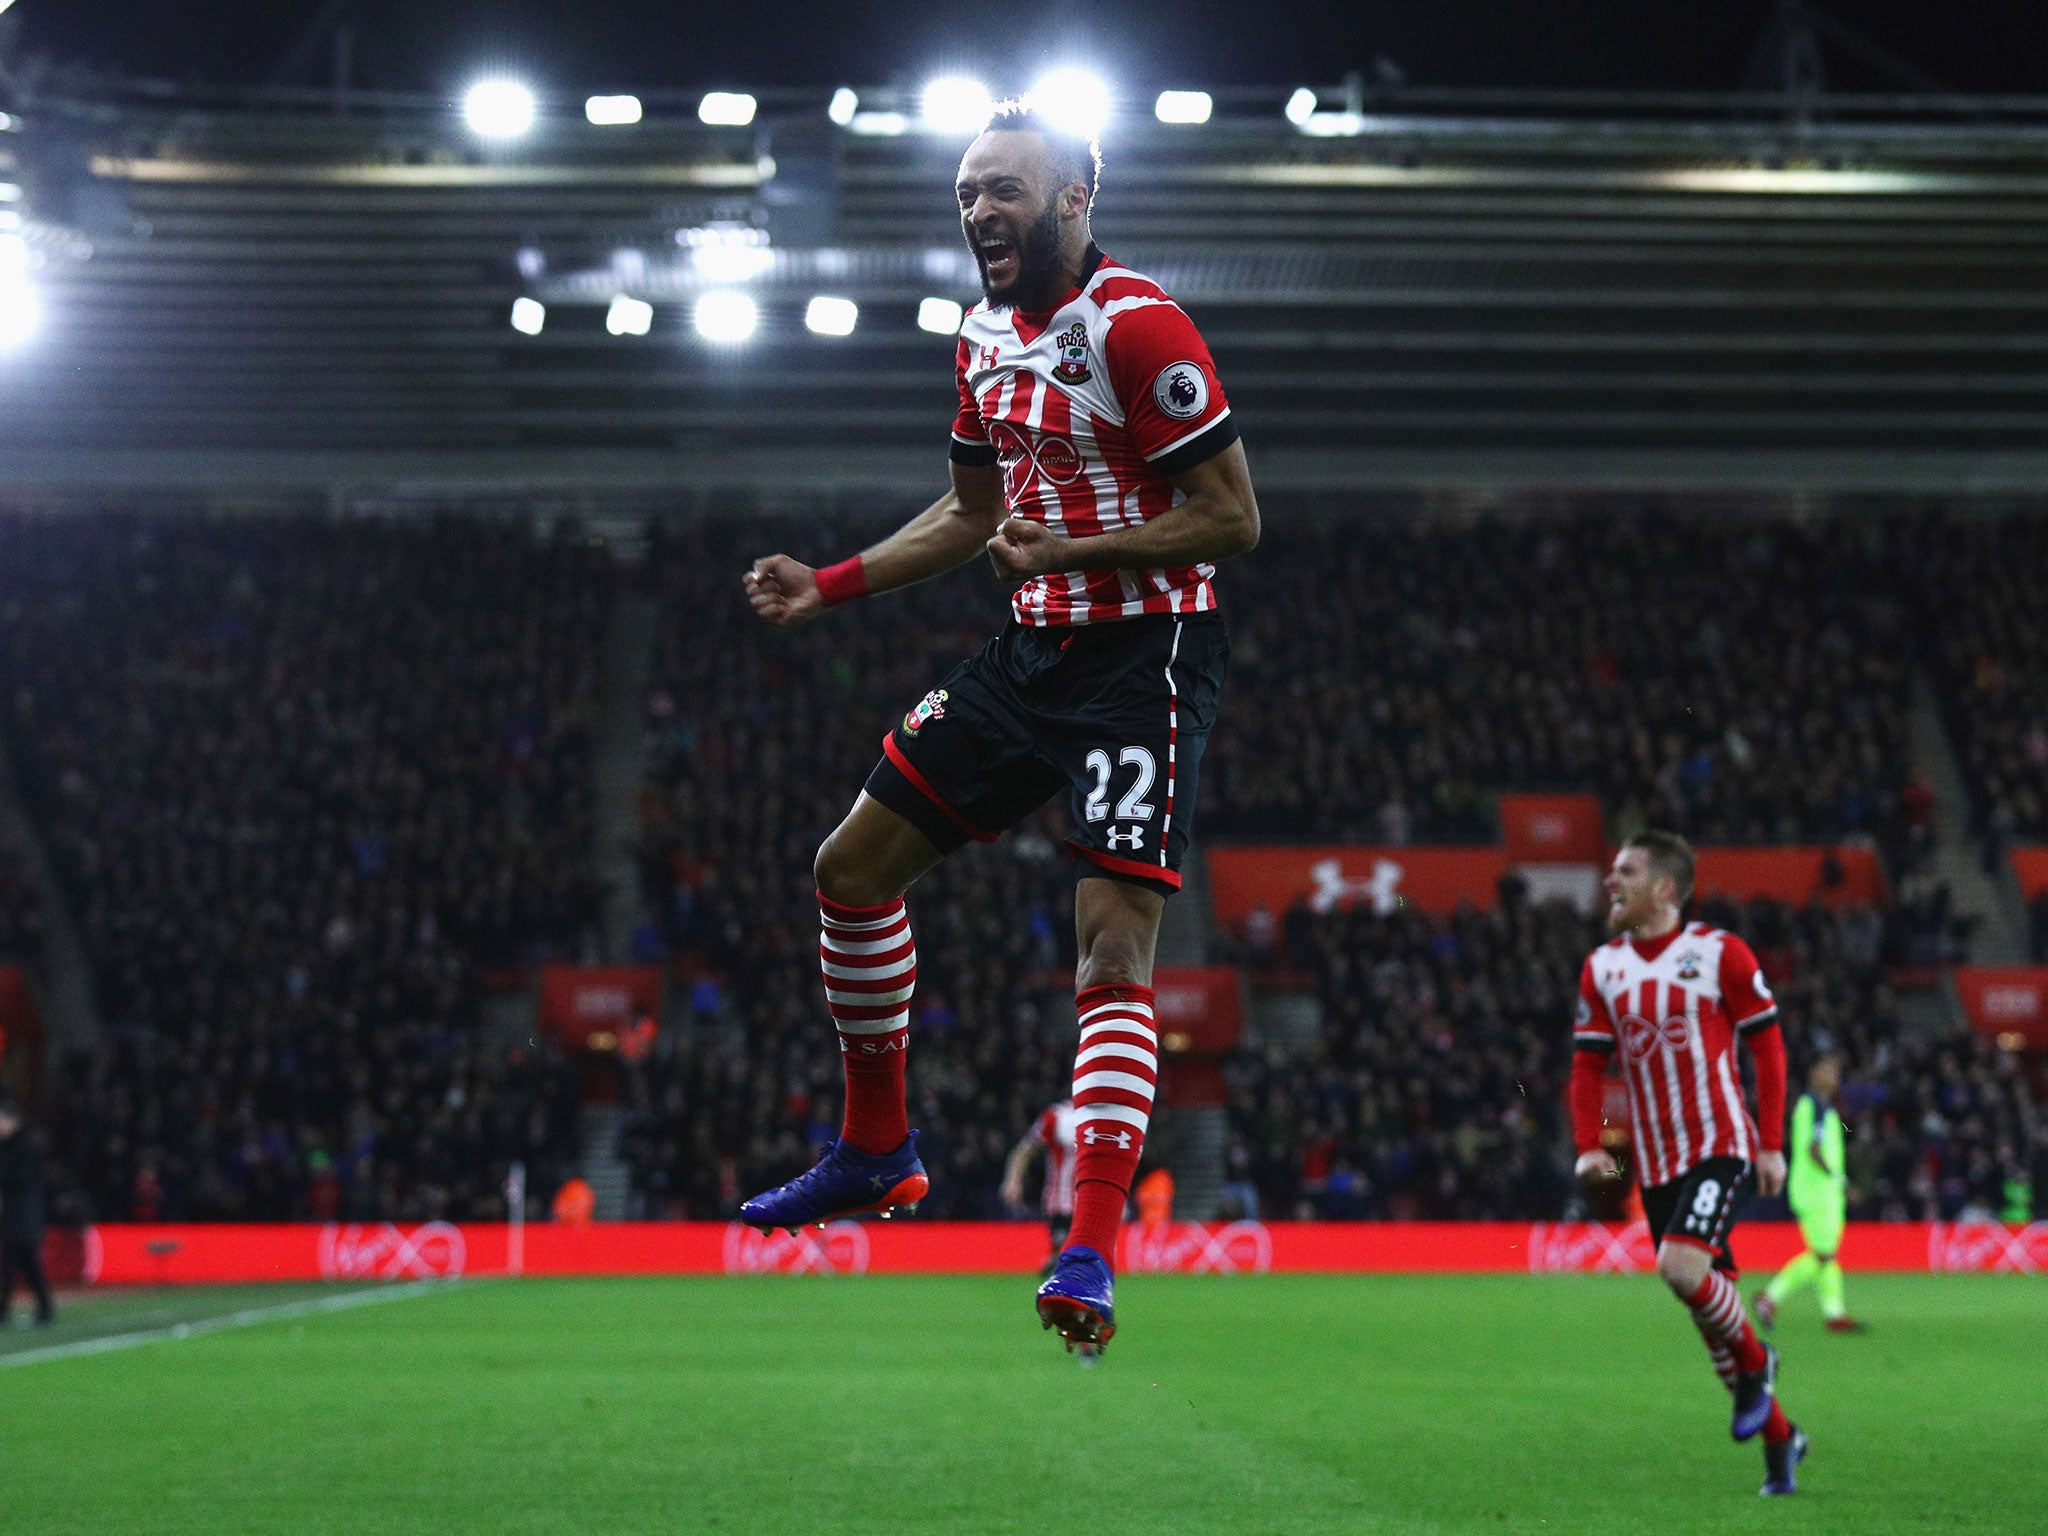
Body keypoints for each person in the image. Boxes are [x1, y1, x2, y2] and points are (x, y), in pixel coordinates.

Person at [736, 98, 1259, 1356]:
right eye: (968, 191)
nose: (980, 211)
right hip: (1032, 652)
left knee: (1111, 955)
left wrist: (1076, 543)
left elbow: (1231, 517)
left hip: (1148, 657)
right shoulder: (976, 333)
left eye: (1006, 189)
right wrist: (833, 582)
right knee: (848, 868)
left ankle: (1085, 1247)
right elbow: (971, 514)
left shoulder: (1139, 328)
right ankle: (876, 1149)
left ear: (1077, 198)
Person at [1570, 833, 1809, 1496]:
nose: (1610, 880)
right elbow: (1588, 1065)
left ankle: (1762, 1364)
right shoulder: (1603, 968)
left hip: (1718, 1144)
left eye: (1626, 871)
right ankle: (1783, 1440)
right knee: (1712, 1323)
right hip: (1657, 1162)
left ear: (1666, 889)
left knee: (1680, 1270)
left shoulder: (1718, 953)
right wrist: (1590, 1143)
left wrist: (1768, 1142)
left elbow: (1767, 1047)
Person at [1757, 1052, 1865, 1334]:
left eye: (1836, 1072)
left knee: (1827, 1255)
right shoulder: (1814, 1106)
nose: (1834, 1077)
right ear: (1813, 1073)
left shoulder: (1824, 1108)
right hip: (1817, 1190)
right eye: (1828, 1070)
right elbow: (1813, 1149)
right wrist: (1840, 1180)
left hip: (1821, 1192)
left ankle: (1834, 1313)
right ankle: (1770, 1297)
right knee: (1822, 1255)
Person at [1000, 1097, 1079, 1276]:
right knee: (1065, 1256)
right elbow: (1024, 1150)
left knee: (1074, 1258)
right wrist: (1013, 1180)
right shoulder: (1055, 1117)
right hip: (1059, 1203)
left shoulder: (1102, 1117)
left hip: (1089, 1201)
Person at [0, 1100, 56, 1326]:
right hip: (14, 1216)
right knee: (10, 1265)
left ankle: (44, 1308)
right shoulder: (7, 1147)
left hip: (26, 1216)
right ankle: (6, 1311)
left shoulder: (26, 1146)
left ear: (13, 1121)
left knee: (27, 1265)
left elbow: (21, 1178)